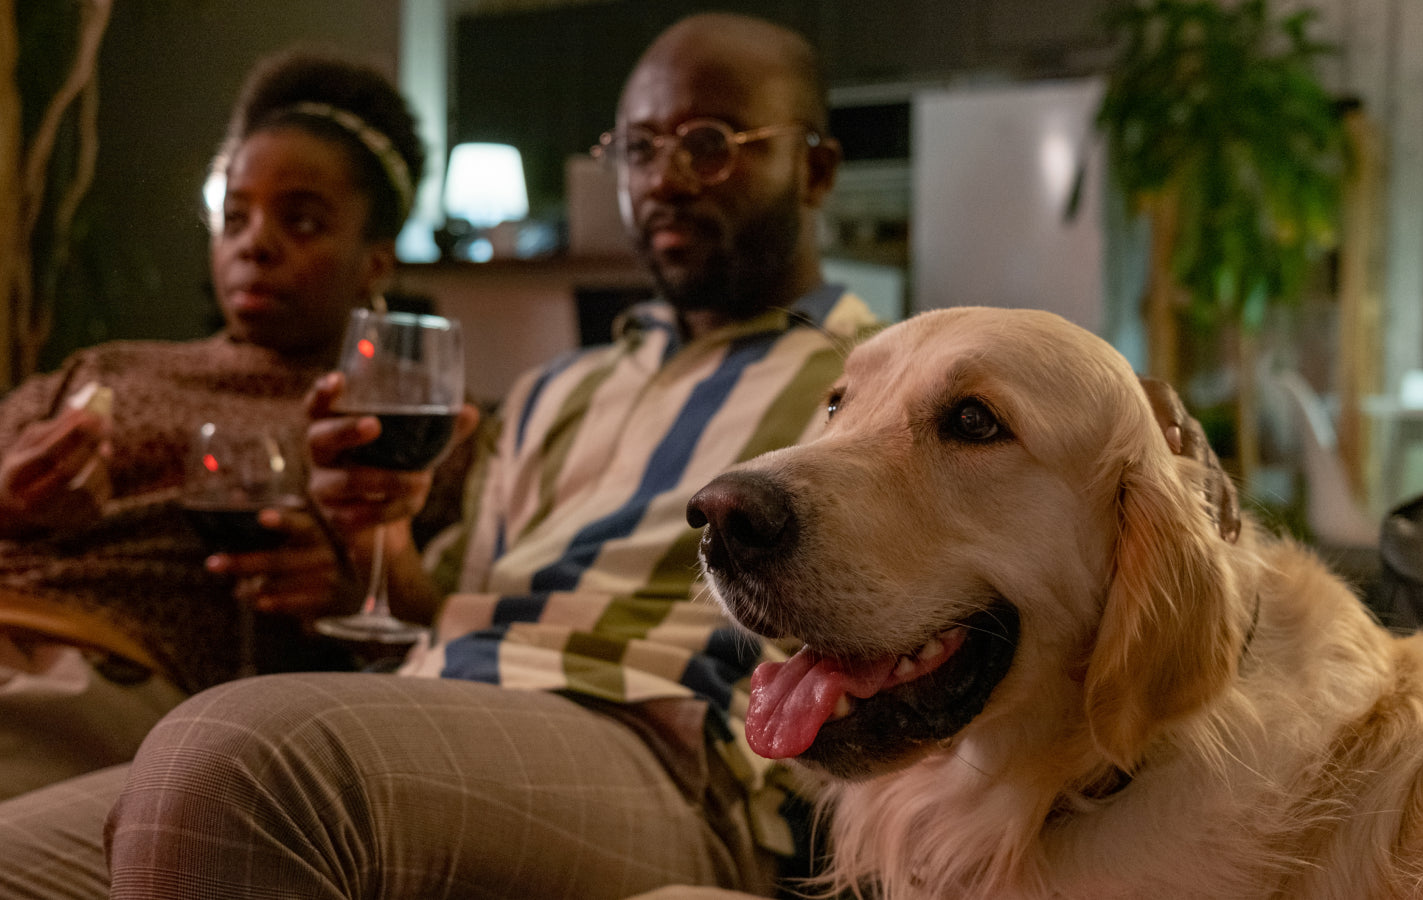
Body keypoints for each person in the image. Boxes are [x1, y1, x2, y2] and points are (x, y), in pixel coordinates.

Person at [0, 14, 1231, 899]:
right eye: (636, 151)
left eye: (708, 142)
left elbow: (1114, 488)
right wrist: (369, 551)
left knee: (233, 754)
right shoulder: (557, 389)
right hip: (447, 694)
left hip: (657, 746)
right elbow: (456, 596)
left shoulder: (884, 381)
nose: (661, 182)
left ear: (811, 168)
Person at [0, 50, 432, 805]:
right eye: (235, 216)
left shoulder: (386, 435)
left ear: (375, 261)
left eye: (300, 220)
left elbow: (425, 622)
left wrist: (342, 588)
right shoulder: (105, 366)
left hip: (94, 680)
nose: (254, 244)